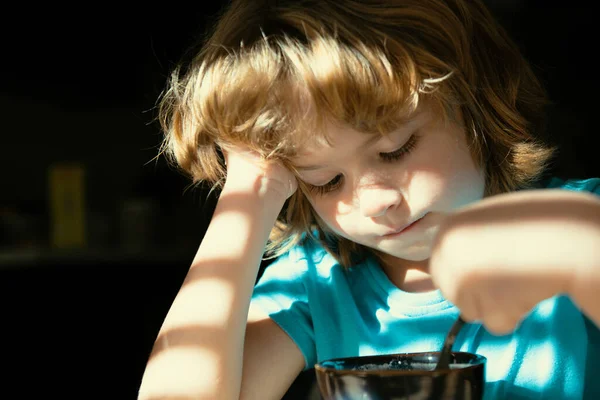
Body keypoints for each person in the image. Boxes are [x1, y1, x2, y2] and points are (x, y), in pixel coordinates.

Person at [137, 0, 600, 398]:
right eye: (325, 181)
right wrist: (251, 189)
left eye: (395, 150)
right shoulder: (316, 282)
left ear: (474, 100)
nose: (375, 201)